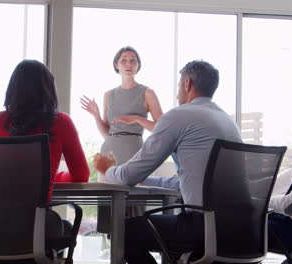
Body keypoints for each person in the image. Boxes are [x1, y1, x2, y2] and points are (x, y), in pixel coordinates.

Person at [93, 60, 242, 264]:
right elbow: (194, 179)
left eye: (180, 85)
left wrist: (108, 169)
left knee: (122, 232)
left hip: (203, 227)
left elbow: (128, 176)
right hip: (239, 227)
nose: (177, 93)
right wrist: (148, 181)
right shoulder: (227, 122)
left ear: (187, 83)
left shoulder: (179, 116)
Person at [0, 59, 90, 240]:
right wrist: (51, 176)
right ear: (49, 89)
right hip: (33, 227)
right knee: (64, 227)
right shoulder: (61, 122)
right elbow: (81, 175)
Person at [81, 46, 163, 166]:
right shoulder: (108, 95)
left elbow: (161, 128)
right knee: (105, 185)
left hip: (134, 152)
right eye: (123, 60)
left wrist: (137, 118)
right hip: (108, 153)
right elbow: (107, 133)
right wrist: (96, 115)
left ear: (138, 65)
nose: (128, 64)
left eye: (133, 60)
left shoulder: (147, 93)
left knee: (135, 184)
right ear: (116, 65)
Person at [268, 121, 292, 260]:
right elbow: (273, 184)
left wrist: (262, 201)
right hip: (290, 226)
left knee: (236, 226)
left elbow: (291, 206)